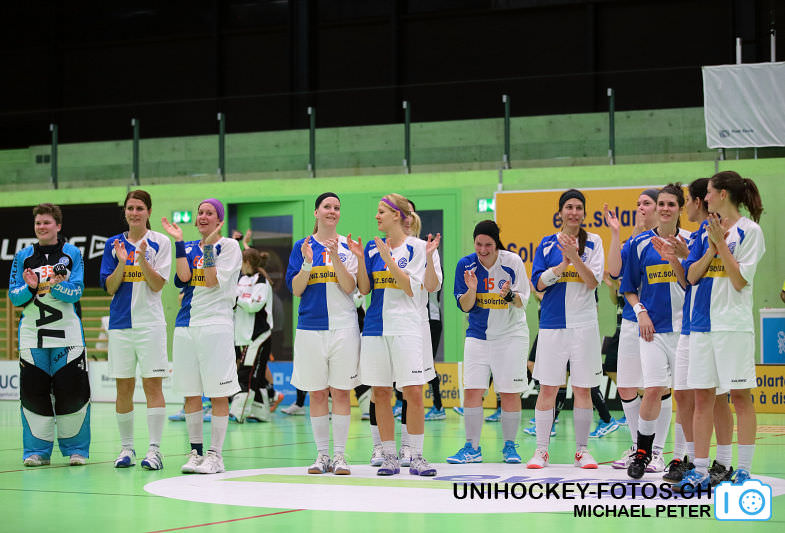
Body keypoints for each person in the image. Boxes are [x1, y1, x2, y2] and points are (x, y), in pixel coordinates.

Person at [677, 171, 765, 492]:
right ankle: (700, 470)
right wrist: (711, 247)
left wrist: (721, 245)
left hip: (733, 326)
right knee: (703, 397)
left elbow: (739, 280)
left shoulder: (750, 231)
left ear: (723, 194)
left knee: (739, 396)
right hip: (703, 326)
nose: (706, 198)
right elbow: (692, 276)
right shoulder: (706, 230)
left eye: (710, 193)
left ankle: (743, 470)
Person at [348, 193, 435, 477]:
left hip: (406, 327)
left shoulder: (419, 247)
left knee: (413, 392)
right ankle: (389, 456)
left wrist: (389, 259)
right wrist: (361, 260)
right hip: (375, 328)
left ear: (397, 215)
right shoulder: (372, 248)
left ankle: (417, 456)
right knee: (381, 393)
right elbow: (364, 289)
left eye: (382, 211)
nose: (377, 216)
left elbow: (410, 288)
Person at [162, 198, 242, 474]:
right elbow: (184, 277)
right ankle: (195, 453)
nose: (203, 216)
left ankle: (215, 455)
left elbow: (210, 280)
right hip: (185, 326)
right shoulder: (188, 247)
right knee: (191, 394)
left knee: (218, 394)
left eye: (210, 213)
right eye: (200, 213)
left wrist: (208, 247)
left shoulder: (229, 247)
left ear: (219, 220)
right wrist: (178, 243)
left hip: (216, 325)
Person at [527, 189, 604, 469]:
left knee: (583, 389)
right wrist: (563, 264)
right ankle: (541, 451)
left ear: (584, 213)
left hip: (584, 325)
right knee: (548, 388)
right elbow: (538, 283)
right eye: (569, 207)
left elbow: (593, 282)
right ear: (560, 212)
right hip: (553, 325)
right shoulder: (547, 244)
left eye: (578, 207)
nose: (574, 212)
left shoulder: (594, 242)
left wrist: (575, 257)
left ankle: (582, 451)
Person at [10, 203, 90, 466]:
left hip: (68, 336)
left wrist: (55, 286)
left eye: (46, 222)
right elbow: (14, 297)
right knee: (33, 395)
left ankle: (76, 450)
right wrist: (31, 288)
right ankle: (37, 452)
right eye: (38, 223)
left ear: (58, 225)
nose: (41, 227)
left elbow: (76, 291)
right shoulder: (23, 256)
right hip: (32, 336)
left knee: (73, 394)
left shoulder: (72, 253)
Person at [286, 192, 361, 475]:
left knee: (341, 392)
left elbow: (350, 287)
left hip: (343, 327)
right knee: (317, 393)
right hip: (310, 328)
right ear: (316, 212)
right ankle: (321, 455)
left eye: (336, 207)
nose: (332, 211)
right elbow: (296, 290)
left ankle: (340, 456)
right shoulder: (301, 246)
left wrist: (336, 257)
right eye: (327, 207)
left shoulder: (347, 246)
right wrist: (307, 262)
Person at [620, 183, 690, 478]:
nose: (664, 208)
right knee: (652, 390)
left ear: (680, 208)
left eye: (671, 204)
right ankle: (642, 454)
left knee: (684, 396)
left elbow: (693, 283)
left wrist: (677, 258)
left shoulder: (691, 241)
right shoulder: (639, 244)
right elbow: (628, 288)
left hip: (686, 331)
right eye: (661, 203)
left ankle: (681, 458)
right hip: (652, 331)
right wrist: (641, 312)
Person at [448, 220, 530, 464]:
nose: (483, 250)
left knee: (509, 393)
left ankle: (510, 446)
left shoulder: (512, 262)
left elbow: (522, 301)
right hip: (478, 336)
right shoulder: (465, 265)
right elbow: (465, 306)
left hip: (510, 335)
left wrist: (509, 295)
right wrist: (472, 289)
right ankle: (471, 448)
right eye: (479, 244)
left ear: (497, 244)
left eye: (488, 245)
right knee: (473, 390)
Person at [100, 190, 171, 470]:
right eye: (130, 208)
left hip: (150, 324)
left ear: (148, 212)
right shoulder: (113, 243)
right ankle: (126, 448)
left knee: (153, 385)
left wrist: (141, 259)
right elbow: (110, 287)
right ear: (125, 212)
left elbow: (157, 284)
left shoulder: (161, 242)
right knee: (123, 388)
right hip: (120, 325)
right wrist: (121, 262)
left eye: (139, 208)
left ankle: (154, 451)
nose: (134, 213)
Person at [607, 189, 662, 471]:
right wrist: (616, 234)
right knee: (626, 385)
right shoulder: (634, 241)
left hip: (660, 321)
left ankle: (658, 451)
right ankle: (638, 447)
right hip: (632, 318)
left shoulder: (668, 239)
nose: (641, 207)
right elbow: (614, 272)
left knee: (658, 387)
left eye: (646, 203)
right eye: (638, 203)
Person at [230, 248, 275, 423]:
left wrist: (237, 300)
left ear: (247, 262)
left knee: (246, 373)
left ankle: (238, 412)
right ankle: (261, 412)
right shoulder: (241, 279)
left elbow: (254, 305)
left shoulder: (262, 281)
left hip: (258, 335)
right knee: (258, 376)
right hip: (242, 335)